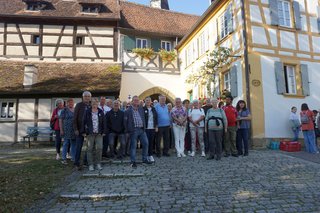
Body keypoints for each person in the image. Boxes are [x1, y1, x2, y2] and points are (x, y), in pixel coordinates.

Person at [124, 96, 152, 168]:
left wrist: (144, 128)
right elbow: (125, 122)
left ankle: (144, 159)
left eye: (137, 100)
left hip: (142, 129)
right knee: (133, 146)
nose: (136, 101)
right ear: (132, 101)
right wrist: (127, 131)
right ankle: (133, 161)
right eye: (135, 100)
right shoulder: (128, 110)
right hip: (133, 130)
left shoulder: (140, 109)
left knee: (146, 143)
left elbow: (143, 118)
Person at [82, 98, 106, 171]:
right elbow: (83, 121)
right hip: (90, 133)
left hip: (99, 133)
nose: (94, 104)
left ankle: (98, 163)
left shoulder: (101, 111)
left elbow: (104, 122)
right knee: (89, 149)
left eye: (95, 103)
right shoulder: (87, 111)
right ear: (91, 104)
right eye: (93, 103)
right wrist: (83, 131)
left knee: (99, 148)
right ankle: (91, 164)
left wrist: (104, 131)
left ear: (98, 103)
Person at [73, 91, 91, 170]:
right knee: (78, 147)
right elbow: (74, 118)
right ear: (83, 97)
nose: (87, 98)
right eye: (85, 96)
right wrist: (76, 129)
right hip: (79, 129)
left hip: (88, 130)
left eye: (88, 96)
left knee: (88, 147)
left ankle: (85, 161)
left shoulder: (91, 106)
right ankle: (76, 163)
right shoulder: (79, 105)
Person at [59, 98, 76, 164]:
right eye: (69, 102)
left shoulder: (75, 109)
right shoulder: (64, 110)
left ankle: (73, 157)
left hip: (74, 129)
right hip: (66, 129)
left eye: (72, 102)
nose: (71, 104)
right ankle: (63, 158)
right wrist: (61, 130)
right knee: (66, 143)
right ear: (67, 103)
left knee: (74, 144)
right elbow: (60, 120)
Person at [143, 97, 158, 162]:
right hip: (145, 128)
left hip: (152, 127)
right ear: (145, 101)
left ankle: (150, 155)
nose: (148, 101)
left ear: (151, 101)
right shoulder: (142, 109)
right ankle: (145, 155)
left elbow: (156, 118)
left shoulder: (153, 109)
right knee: (146, 142)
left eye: (149, 100)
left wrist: (156, 126)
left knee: (151, 141)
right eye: (146, 100)